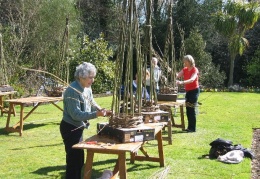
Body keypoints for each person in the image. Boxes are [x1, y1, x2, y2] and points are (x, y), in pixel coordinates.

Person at [60, 62, 112, 179]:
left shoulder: (87, 88)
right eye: (90, 77)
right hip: (70, 128)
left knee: (78, 160)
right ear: (81, 76)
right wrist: (96, 114)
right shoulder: (72, 91)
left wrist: (101, 110)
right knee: (74, 160)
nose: (92, 80)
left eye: (93, 77)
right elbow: (76, 115)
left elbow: (91, 102)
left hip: (78, 127)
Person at [176, 55, 200, 133]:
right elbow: (178, 75)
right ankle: (189, 127)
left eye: (185, 61)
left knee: (191, 109)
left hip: (194, 91)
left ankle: (192, 128)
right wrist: (171, 72)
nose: (184, 62)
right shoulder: (185, 69)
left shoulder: (194, 70)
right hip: (188, 91)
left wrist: (182, 82)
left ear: (189, 61)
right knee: (188, 109)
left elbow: (192, 79)